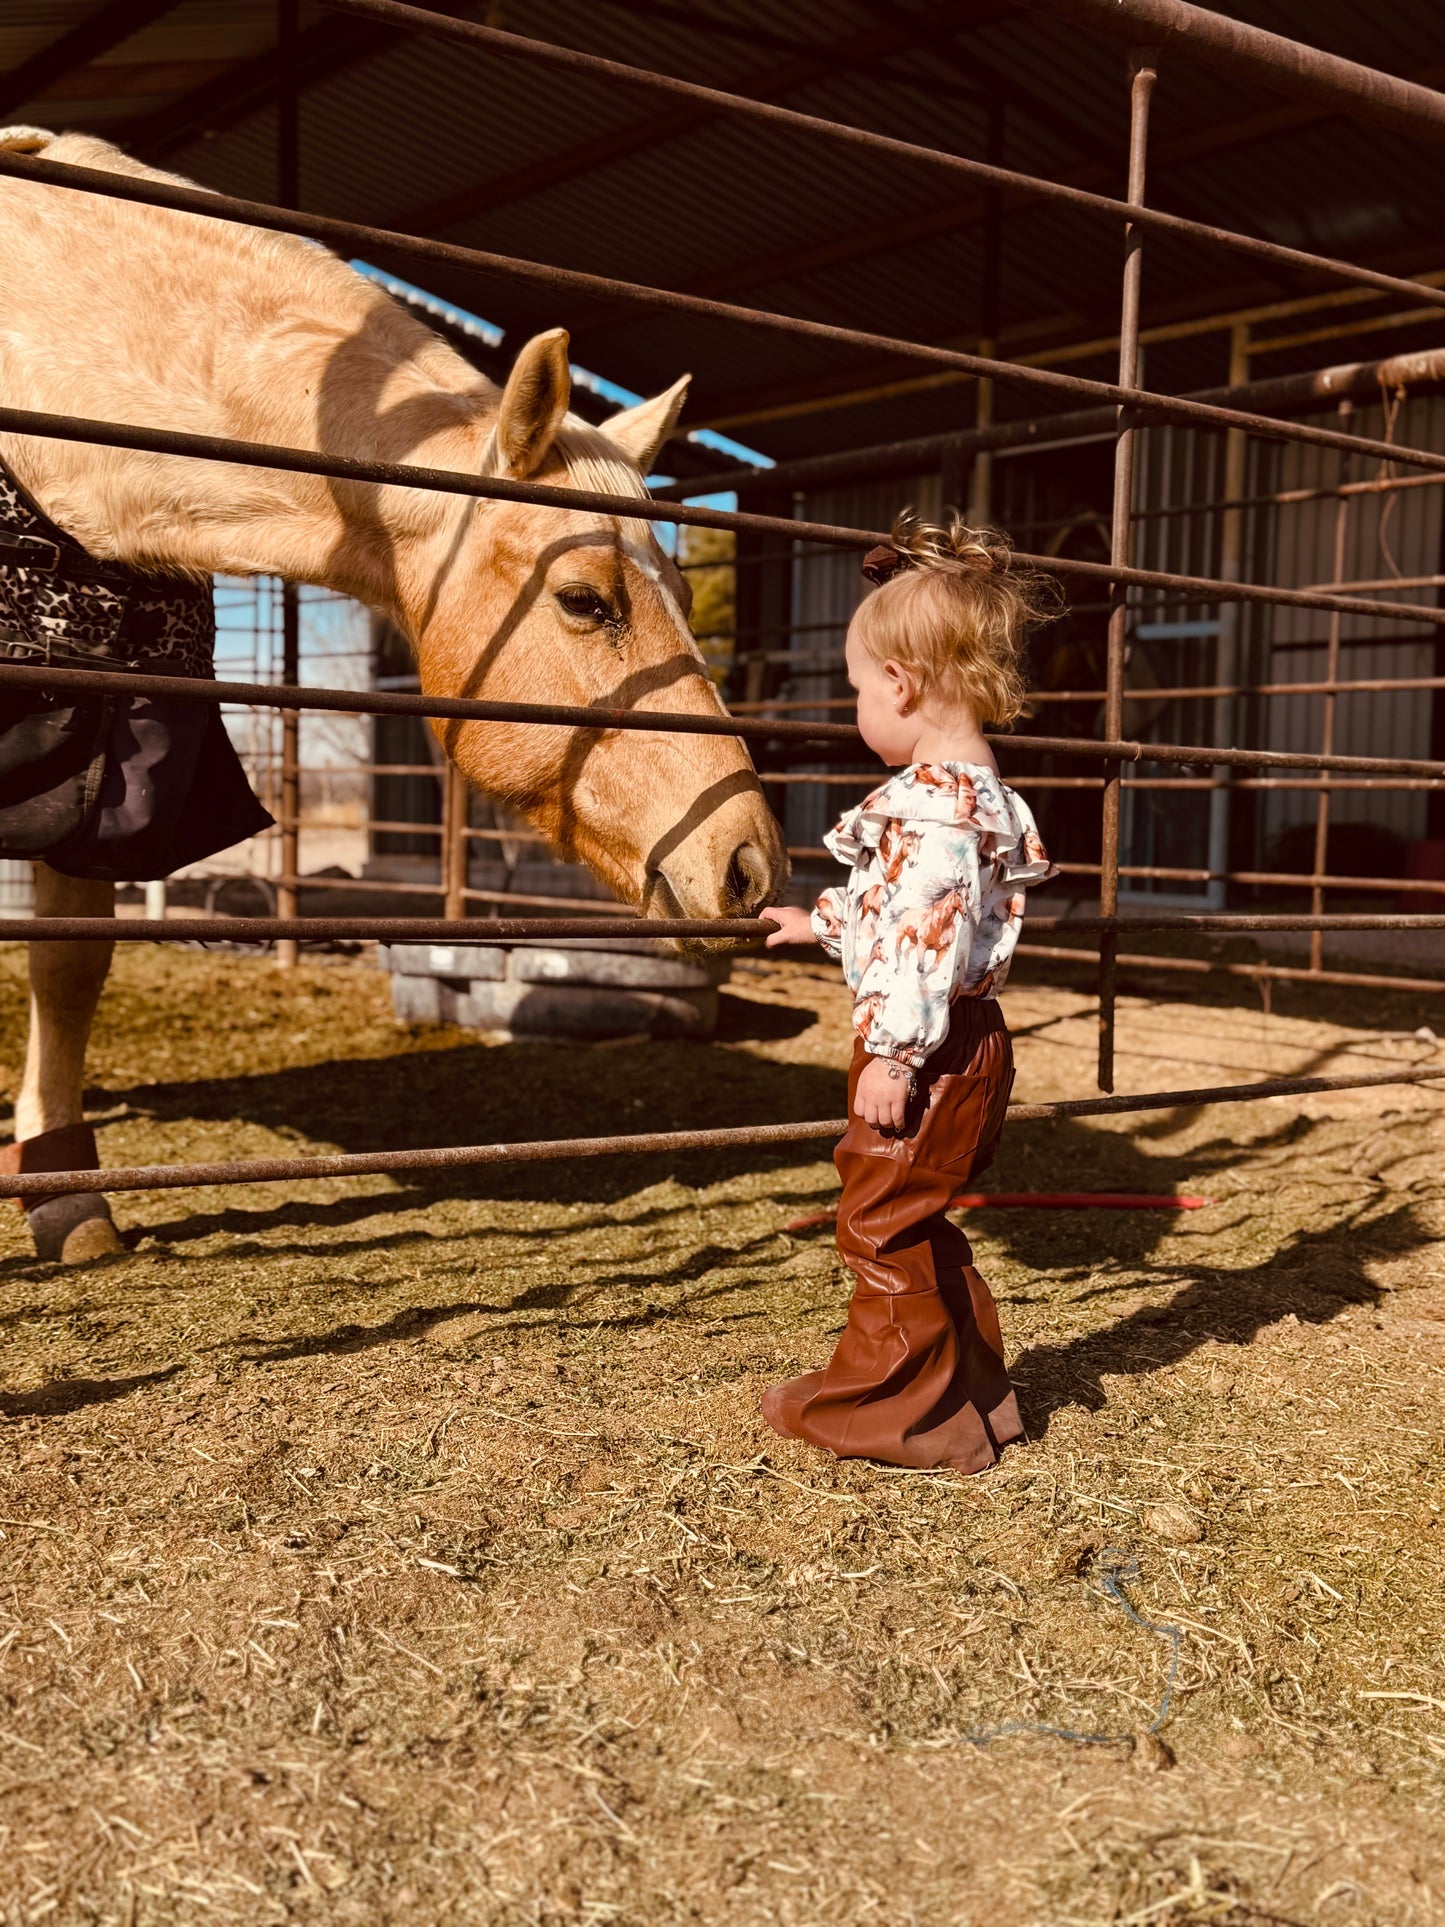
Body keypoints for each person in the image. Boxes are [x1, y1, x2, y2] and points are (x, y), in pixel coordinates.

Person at [760, 511, 1058, 1475]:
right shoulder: (971, 797)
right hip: (958, 1035)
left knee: (877, 1224)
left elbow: (925, 942)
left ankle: (898, 1414)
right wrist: (823, 922)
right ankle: (969, 1396)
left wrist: (892, 1055)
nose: (858, 705)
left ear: (899, 683)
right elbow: (907, 918)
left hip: (922, 1046)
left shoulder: (931, 813)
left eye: (857, 688)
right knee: (911, 1216)